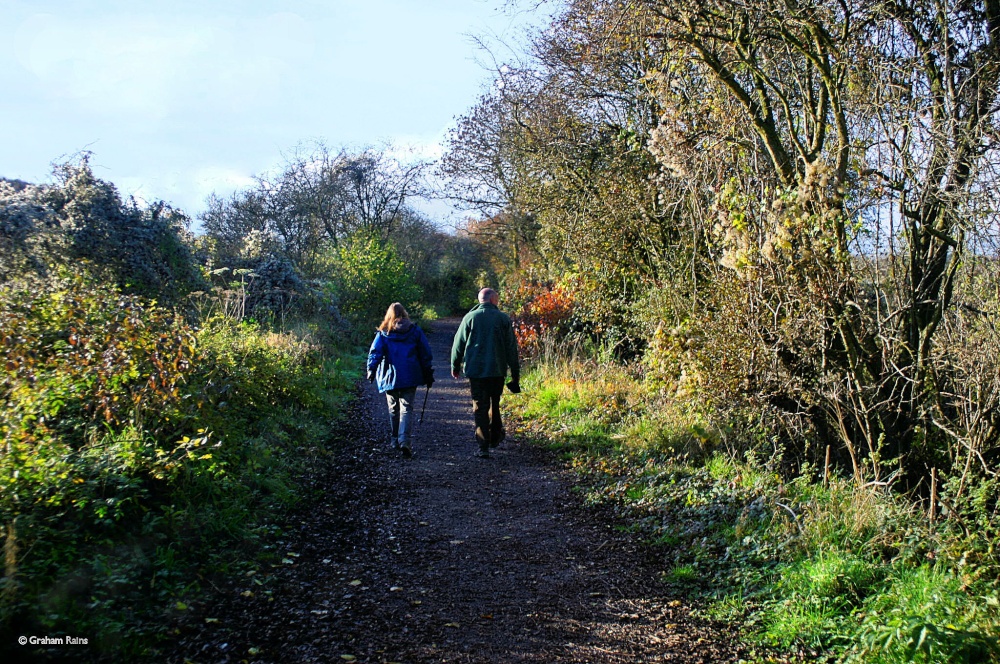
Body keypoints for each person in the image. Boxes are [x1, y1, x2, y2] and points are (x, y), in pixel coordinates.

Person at [451, 287, 521, 458]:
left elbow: (458, 344)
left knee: (480, 406)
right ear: (492, 300)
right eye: (497, 299)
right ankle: (495, 437)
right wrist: (515, 373)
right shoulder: (503, 319)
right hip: (497, 370)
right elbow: (511, 348)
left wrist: (455, 365)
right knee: (495, 403)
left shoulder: (470, 318)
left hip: (476, 370)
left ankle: (483, 445)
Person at [367, 303, 433, 458]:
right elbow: (425, 353)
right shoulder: (415, 331)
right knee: (407, 408)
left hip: (389, 376)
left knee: (393, 409)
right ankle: (405, 441)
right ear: (405, 313)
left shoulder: (384, 333)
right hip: (410, 375)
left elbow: (375, 353)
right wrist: (428, 373)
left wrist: (371, 369)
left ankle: (395, 439)